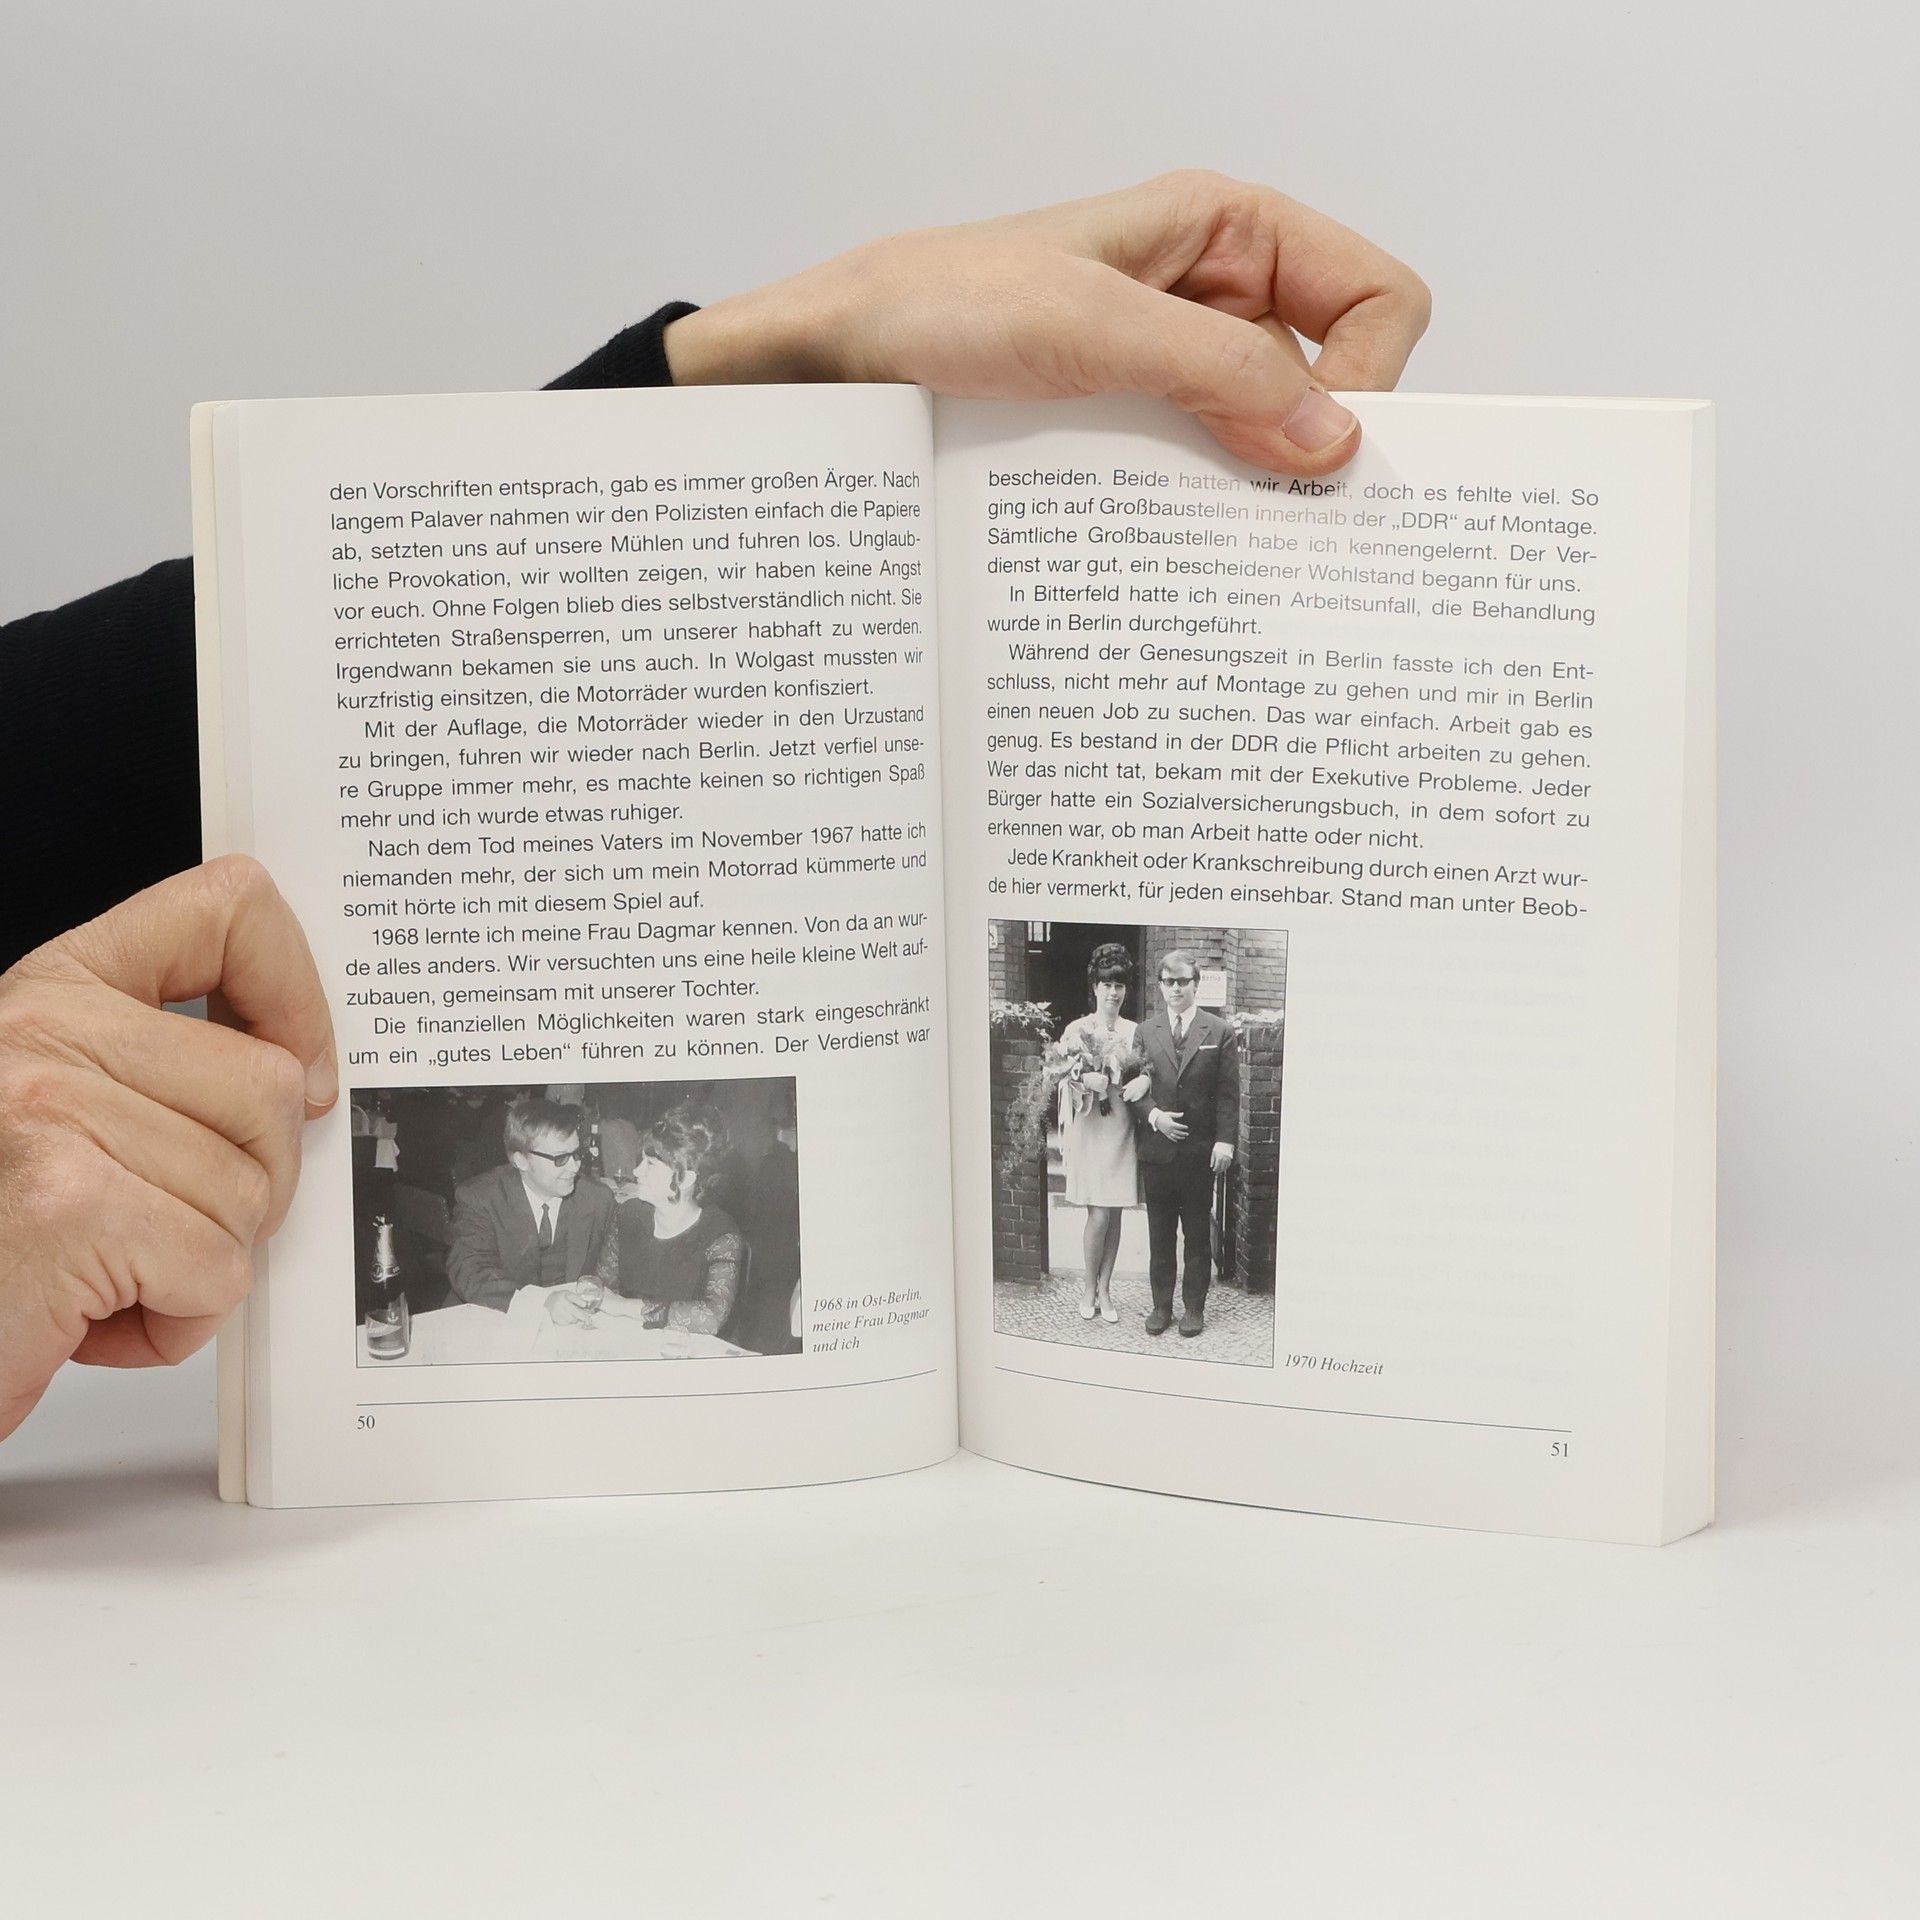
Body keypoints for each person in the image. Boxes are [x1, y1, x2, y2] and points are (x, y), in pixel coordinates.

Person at [0, 171, 1428, 1441]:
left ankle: (1162, 1314)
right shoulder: (528, 1208)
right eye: (575, 1149)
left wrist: (789, 350)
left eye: (593, 1149)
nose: (592, 1162)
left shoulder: (649, 1211)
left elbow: (70, 746)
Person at [1133, 950, 1240, 1339]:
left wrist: (1225, 1142)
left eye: (1182, 981)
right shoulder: (1146, 1031)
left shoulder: (1219, 1031)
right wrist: (1154, 1117)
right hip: (1158, 1152)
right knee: (1159, 1234)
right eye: (1168, 982)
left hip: (1198, 1153)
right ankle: (1161, 1306)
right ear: (1160, 986)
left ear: (1196, 984)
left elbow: (1228, 1094)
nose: (1175, 988)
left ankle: (1194, 1308)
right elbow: (1133, 1086)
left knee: (1196, 1234)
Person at [444, 1096, 615, 1321]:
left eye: (577, 1154)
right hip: (495, 1316)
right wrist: (541, 1303)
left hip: (570, 1323)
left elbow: (611, 1276)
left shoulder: (597, 1199)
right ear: (522, 1161)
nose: (575, 1167)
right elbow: (470, 1270)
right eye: (561, 1158)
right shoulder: (481, 1198)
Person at [1055, 943, 1151, 1324]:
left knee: (1115, 1211)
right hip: (1091, 1128)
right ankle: (1088, 1288)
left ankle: (1106, 1289)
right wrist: (1082, 1078)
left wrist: (1142, 1079)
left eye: (1120, 985)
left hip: (1121, 1127)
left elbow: (1146, 1071)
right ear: (1094, 986)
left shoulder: (1134, 1032)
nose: (1113, 992)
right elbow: (1058, 1074)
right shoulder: (1077, 1029)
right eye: (1107, 984)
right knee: (1098, 1213)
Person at [587, 1107, 745, 1339]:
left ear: (685, 1179)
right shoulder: (629, 1215)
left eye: (650, 1164)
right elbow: (602, 1286)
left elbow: (711, 1318)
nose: (637, 1171)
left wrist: (623, 1307)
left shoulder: (721, 1235)